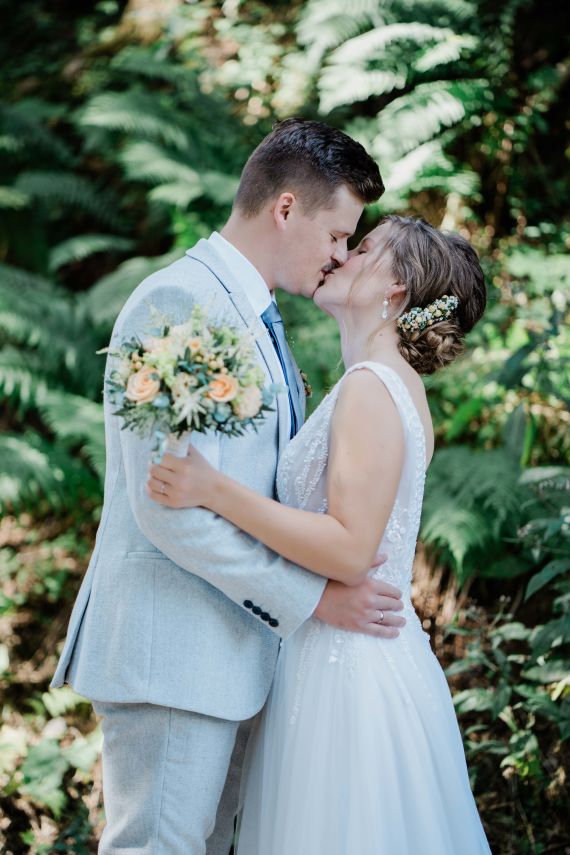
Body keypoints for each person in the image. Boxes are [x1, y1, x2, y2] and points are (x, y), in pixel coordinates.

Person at [50, 119, 408, 855]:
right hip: (173, 655)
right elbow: (168, 509)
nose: (340, 255)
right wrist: (312, 598)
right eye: (338, 235)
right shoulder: (178, 304)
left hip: (231, 656)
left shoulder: (250, 315)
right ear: (285, 209)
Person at [148, 215, 492, 854]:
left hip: (346, 673)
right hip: (352, 651)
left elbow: (351, 548)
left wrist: (214, 490)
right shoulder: (390, 386)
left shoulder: (370, 388)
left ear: (395, 289)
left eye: (362, 250)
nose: (341, 257)